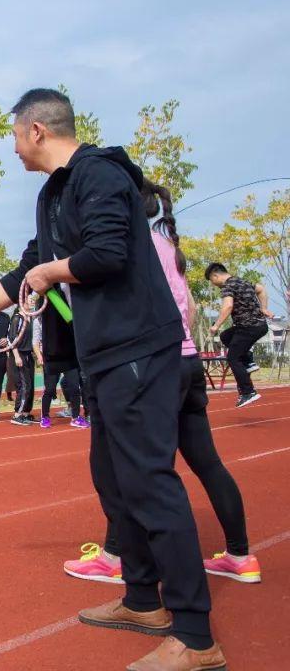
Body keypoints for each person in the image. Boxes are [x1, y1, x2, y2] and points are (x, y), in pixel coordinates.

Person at [0, 89, 223, 669]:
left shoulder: (99, 174)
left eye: (15, 137)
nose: (14, 150)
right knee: (116, 481)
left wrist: (49, 271)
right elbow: (25, 268)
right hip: (99, 358)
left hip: (139, 348)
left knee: (150, 481)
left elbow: (107, 253)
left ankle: (197, 638)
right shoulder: (52, 196)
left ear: (37, 130)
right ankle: (144, 600)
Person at [65, 181, 261, 589]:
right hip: (186, 359)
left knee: (131, 467)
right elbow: (186, 306)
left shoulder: (126, 243)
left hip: (156, 364)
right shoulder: (168, 245)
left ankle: (118, 558)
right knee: (207, 463)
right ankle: (240, 556)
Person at [204, 263, 272, 408]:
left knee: (233, 358)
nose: (214, 285)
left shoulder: (228, 286)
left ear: (215, 275)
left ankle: (248, 392)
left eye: (212, 281)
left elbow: (228, 306)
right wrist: (264, 308)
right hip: (258, 325)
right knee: (226, 336)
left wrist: (216, 325)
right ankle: (248, 360)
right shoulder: (243, 281)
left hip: (249, 327)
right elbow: (261, 289)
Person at [8, 297, 37, 425]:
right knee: (24, 386)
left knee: (30, 385)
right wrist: (17, 356)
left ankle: (26, 413)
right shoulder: (17, 318)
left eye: (33, 300)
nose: (32, 302)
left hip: (28, 355)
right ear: (22, 302)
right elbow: (12, 338)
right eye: (29, 300)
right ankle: (17, 414)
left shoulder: (30, 318)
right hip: (19, 354)